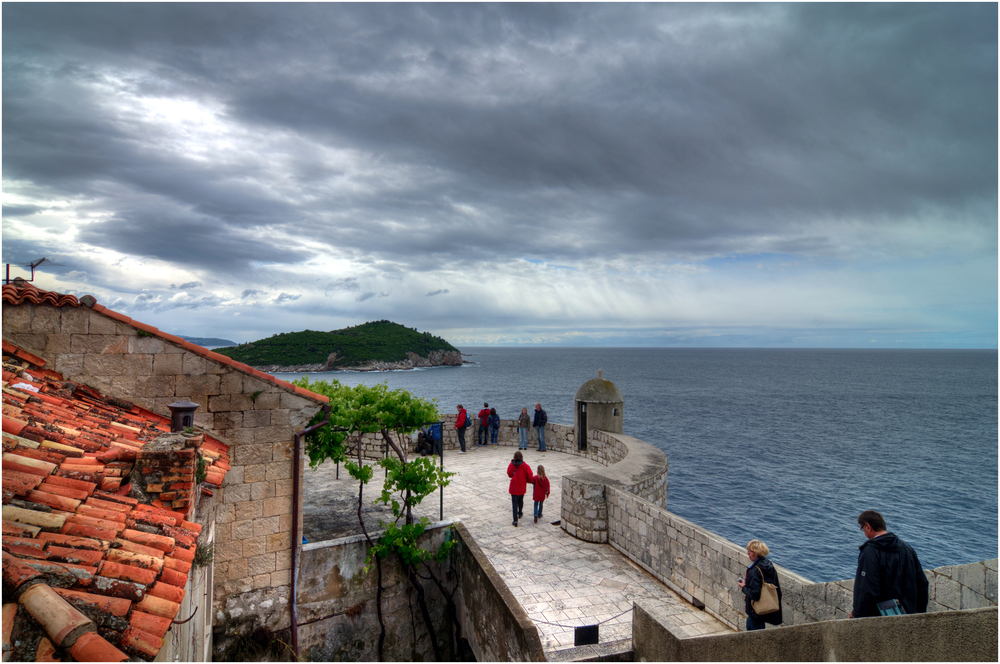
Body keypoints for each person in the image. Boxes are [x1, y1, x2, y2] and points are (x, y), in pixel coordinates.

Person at [850, 510, 929, 618]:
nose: (864, 533)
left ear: (868, 526)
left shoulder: (870, 551)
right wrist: (919, 612)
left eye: (862, 528)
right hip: (908, 616)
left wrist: (857, 614)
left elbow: (867, 588)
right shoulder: (907, 548)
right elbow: (922, 583)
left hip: (881, 619)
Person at [737, 539, 782, 630]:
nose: (748, 553)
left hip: (756, 611)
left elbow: (755, 594)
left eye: (750, 551)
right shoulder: (769, 565)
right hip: (764, 609)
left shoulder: (755, 570)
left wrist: (743, 587)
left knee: (755, 637)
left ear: (756, 553)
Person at [507, 450, 534, 527]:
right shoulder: (525, 466)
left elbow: (509, 474)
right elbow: (529, 475)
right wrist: (530, 481)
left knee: (514, 503)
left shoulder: (511, 465)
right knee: (521, 500)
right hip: (522, 486)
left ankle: (515, 520)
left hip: (513, 487)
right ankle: (520, 512)